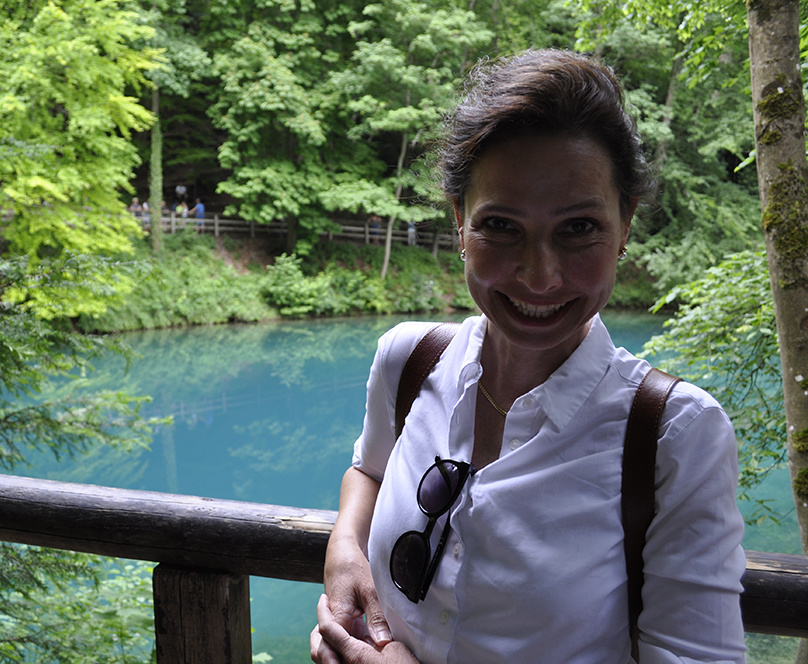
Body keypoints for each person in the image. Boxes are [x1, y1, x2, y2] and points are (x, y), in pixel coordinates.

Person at [310, 49, 745, 664]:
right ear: (460, 222)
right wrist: (345, 545)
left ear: (625, 227)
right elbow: (370, 470)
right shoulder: (408, 362)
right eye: (502, 226)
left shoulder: (674, 435)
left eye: (578, 228)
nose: (540, 276)